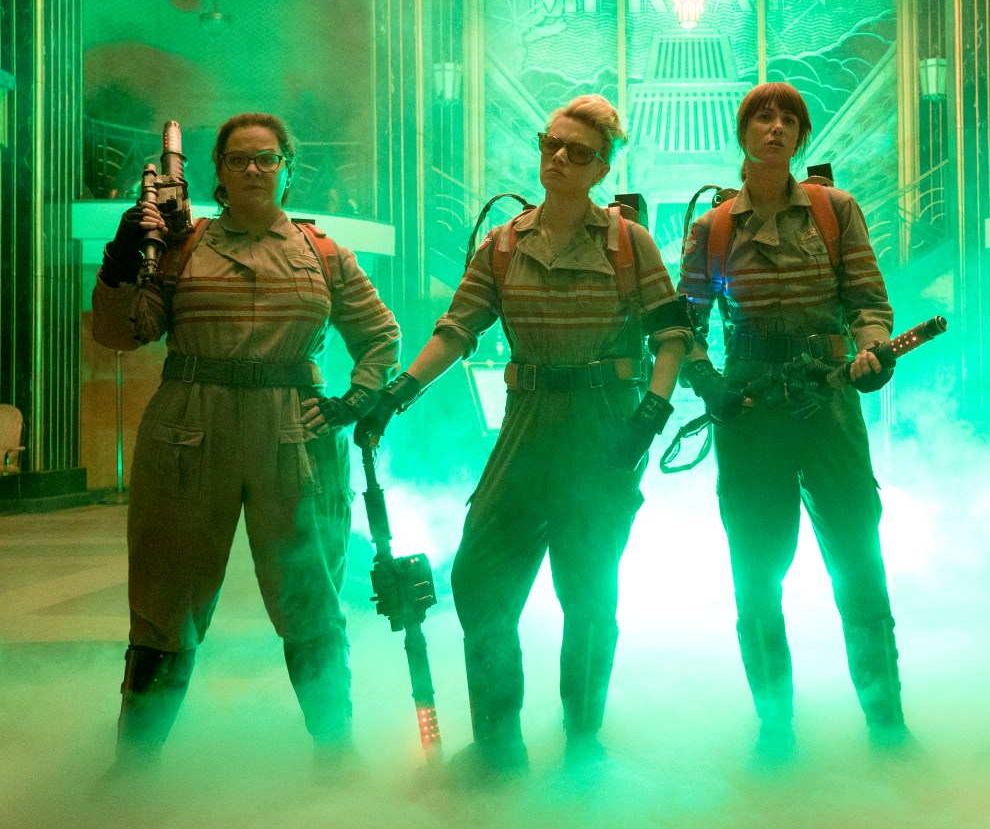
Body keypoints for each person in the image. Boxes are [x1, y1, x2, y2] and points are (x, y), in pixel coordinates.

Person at [356, 94, 690, 781]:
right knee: (479, 579)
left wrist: (649, 417)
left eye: (578, 151)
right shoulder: (505, 244)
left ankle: (582, 741)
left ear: (602, 167)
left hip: (603, 424)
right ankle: (499, 745)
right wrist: (396, 394)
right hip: (527, 421)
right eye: (550, 144)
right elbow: (457, 330)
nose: (559, 157)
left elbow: (671, 336)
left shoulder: (627, 243)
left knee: (588, 594)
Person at [91, 112, 401, 773]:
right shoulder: (183, 247)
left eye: (266, 158)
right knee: (165, 600)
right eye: (238, 160)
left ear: (289, 169)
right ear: (220, 174)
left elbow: (380, 334)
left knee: (310, 596)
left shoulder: (323, 253)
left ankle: (336, 754)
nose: (253, 169)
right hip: (188, 429)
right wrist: (121, 260)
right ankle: (132, 769)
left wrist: (354, 401)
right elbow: (121, 333)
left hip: (294, 433)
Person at [677, 81, 911, 763]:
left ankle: (887, 723)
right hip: (750, 411)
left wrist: (872, 350)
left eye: (788, 119)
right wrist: (709, 383)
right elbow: (683, 326)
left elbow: (868, 300)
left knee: (859, 560)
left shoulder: (836, 211)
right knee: (756, 574)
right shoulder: (713, 229)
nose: (775, 127)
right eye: (762, 116)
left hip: (829, 401)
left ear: (802, 136)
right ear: (743, 132)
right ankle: (775, 728)